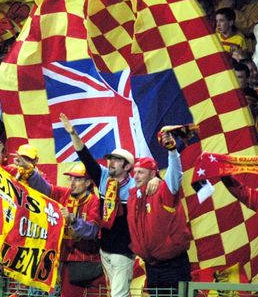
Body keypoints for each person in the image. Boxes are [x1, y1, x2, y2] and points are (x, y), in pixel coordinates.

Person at [59, 113, 160, 297]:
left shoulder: (136, 185)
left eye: (116, 160)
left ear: (127, 167)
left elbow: (164, 186)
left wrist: (157, 180)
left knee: (118, 294)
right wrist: (73, 133)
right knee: (118, 292)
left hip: (124, 251)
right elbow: (85, 157)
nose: (110, 162)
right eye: (110, 159)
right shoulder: (104, 177)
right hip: (104, 249)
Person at [17, 158, 105, 297]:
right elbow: (45, 188)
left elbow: (92, 231)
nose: (72, 183)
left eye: (77, 179)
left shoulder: (95, 201)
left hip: (89, 262)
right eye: (71, 179)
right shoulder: (64, 194)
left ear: (88, 182)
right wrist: (31, 171)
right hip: (65, 261)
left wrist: (74, 220)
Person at [127, 132, 191, 294]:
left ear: (152, 173)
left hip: (173, 265)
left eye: (141, 172)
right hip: (152, 266)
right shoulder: (134, 197)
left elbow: (175, 176)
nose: (136, 176)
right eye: (135, 172)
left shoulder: (164, 191)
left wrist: (172, 151)